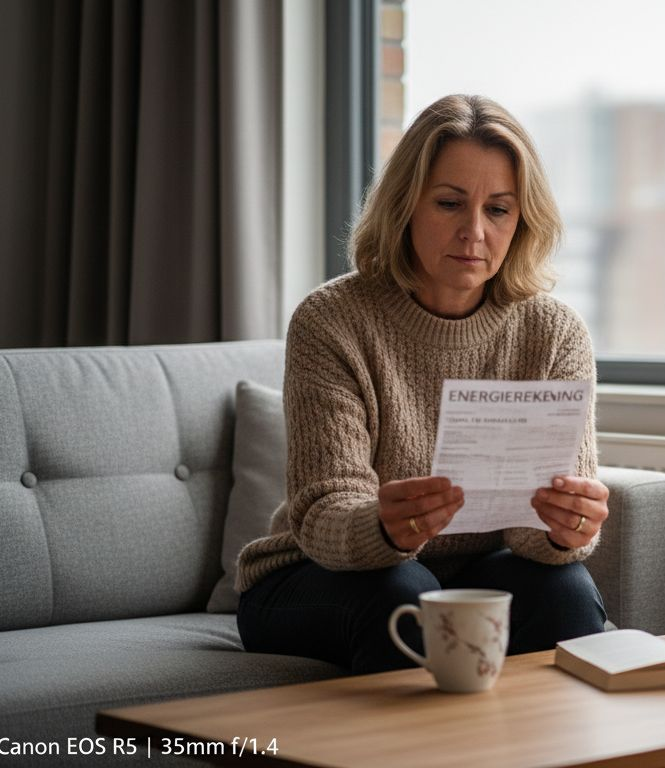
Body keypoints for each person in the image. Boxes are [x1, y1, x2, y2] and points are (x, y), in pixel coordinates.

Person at [234, 94, 610, 674]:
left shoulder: (553, 332)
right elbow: (323, 515)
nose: (474, 232)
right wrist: (384, 524)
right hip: (318, 575)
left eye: (499, 210)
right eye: (450, 203)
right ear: (406, 205)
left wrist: (564, 529)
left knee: (567, 591)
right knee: (403, 594)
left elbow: (542, 540)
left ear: (522, 220)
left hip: (469, 572)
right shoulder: (331, 319)